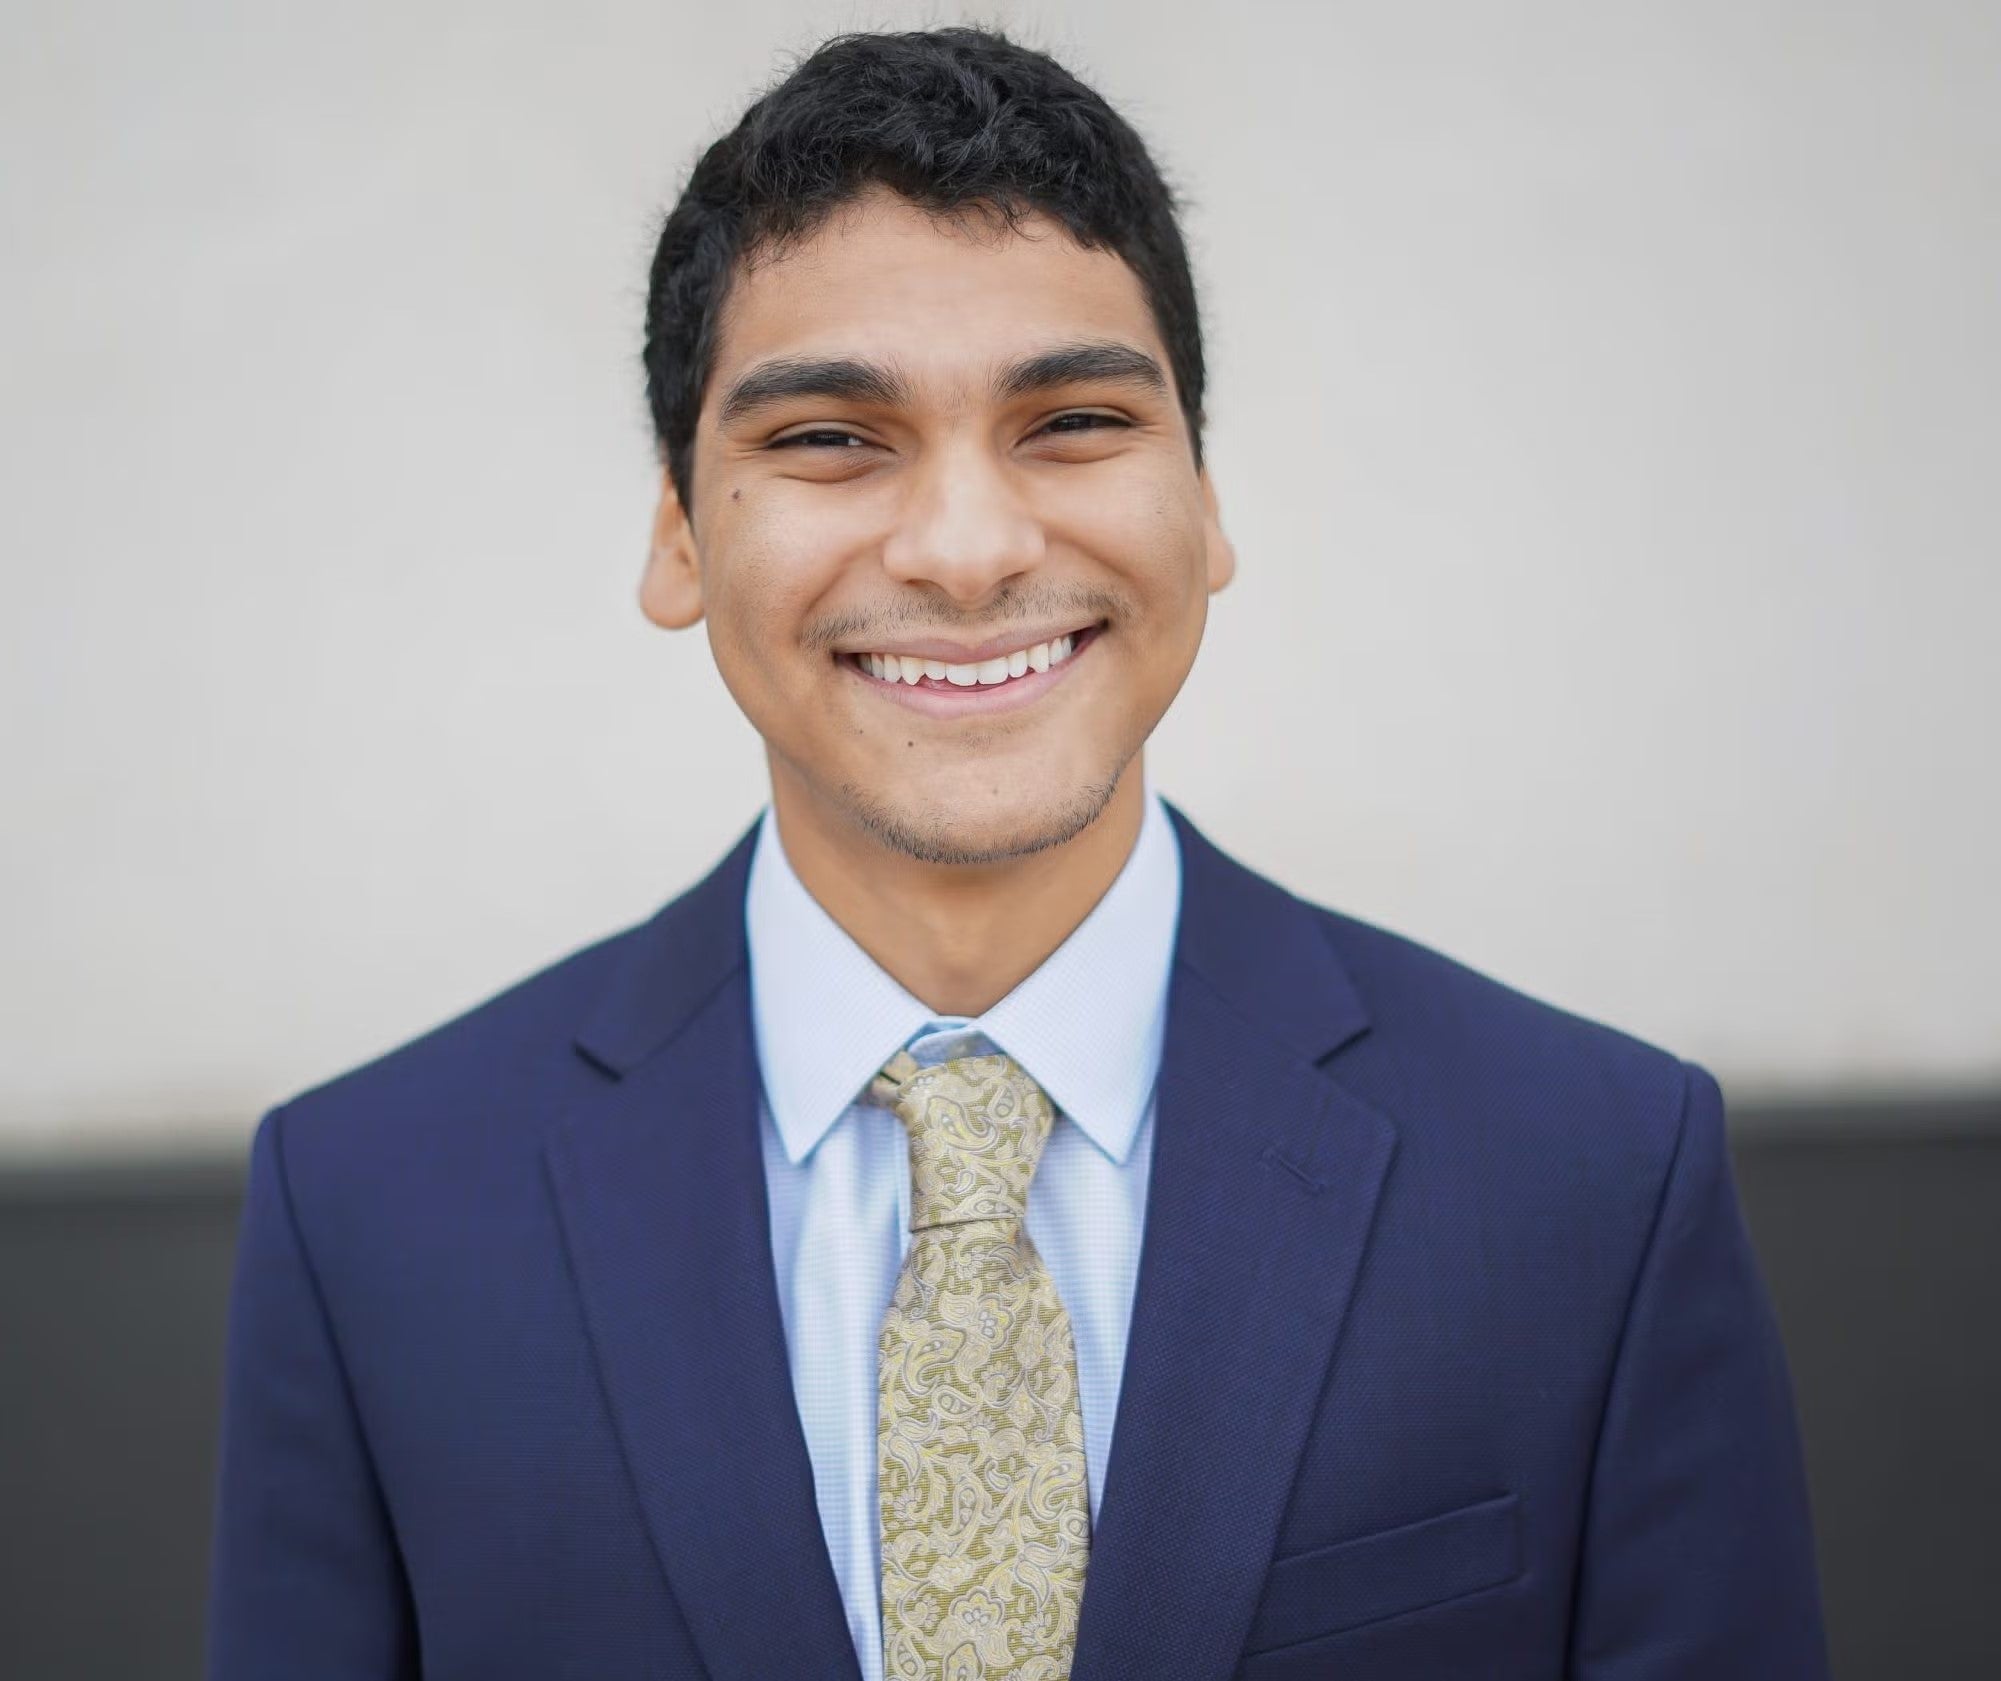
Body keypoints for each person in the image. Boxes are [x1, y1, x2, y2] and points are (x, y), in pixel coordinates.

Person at [205, 25, 1830, 1681]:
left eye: (1069, 421)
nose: (971, 551)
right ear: (679, 532)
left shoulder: (1593, 1173)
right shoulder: (373, 1214)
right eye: (831, 437)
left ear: (1203, 501)